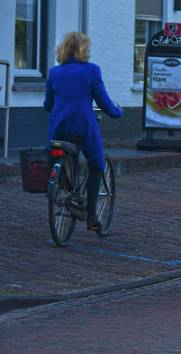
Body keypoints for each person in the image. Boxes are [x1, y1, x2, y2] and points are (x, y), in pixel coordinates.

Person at [44, 32, 123, 231]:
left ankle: (63, 190)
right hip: (83, 125)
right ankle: (92, 216)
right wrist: (118, 112)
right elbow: (104, 102)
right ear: (83, 49)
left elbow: (48, 105)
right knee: (96, 164)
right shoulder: (92, 70)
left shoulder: (54, 72)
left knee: (62, 156)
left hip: (59, 126)